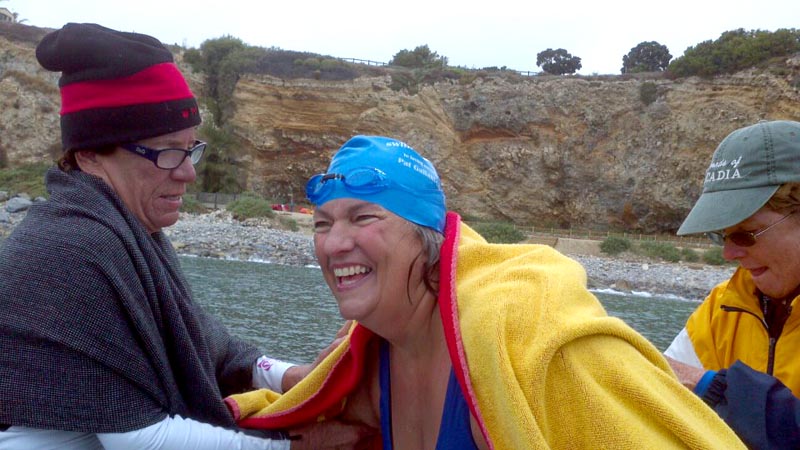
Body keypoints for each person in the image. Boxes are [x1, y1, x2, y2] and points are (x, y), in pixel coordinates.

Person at [224, 135, 744, 448]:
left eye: (364, 217)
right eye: (320, 224)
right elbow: (313, 403)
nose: (335, 244)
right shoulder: (372, 349)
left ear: (427, 238)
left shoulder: (518, 340)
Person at [0, 23, 366, 450]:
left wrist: (289, 376)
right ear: (89, 153)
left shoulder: (125, 229)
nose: (188, 171)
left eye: (190, 148)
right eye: (166, 152)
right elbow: (139, 437)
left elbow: (206, 343)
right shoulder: (72, 246)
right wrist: (294, 446)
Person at [664, 119, 800, 449]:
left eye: (744, 234)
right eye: (720, 235)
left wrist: (710, 386)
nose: (728, 253)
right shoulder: (723, 307)